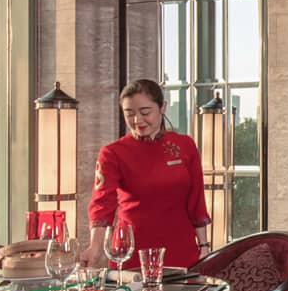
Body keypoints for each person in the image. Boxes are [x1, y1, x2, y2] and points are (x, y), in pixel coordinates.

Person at [83, 79, 210, 270]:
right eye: (129, 114)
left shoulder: (185, 145)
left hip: (180, 249)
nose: (137, 120)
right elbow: (102, 203)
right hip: (131, 252)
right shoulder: (112, 153)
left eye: (145, 112)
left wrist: (204, 246)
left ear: (162, 107)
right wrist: (95, 246)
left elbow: (196, 200)